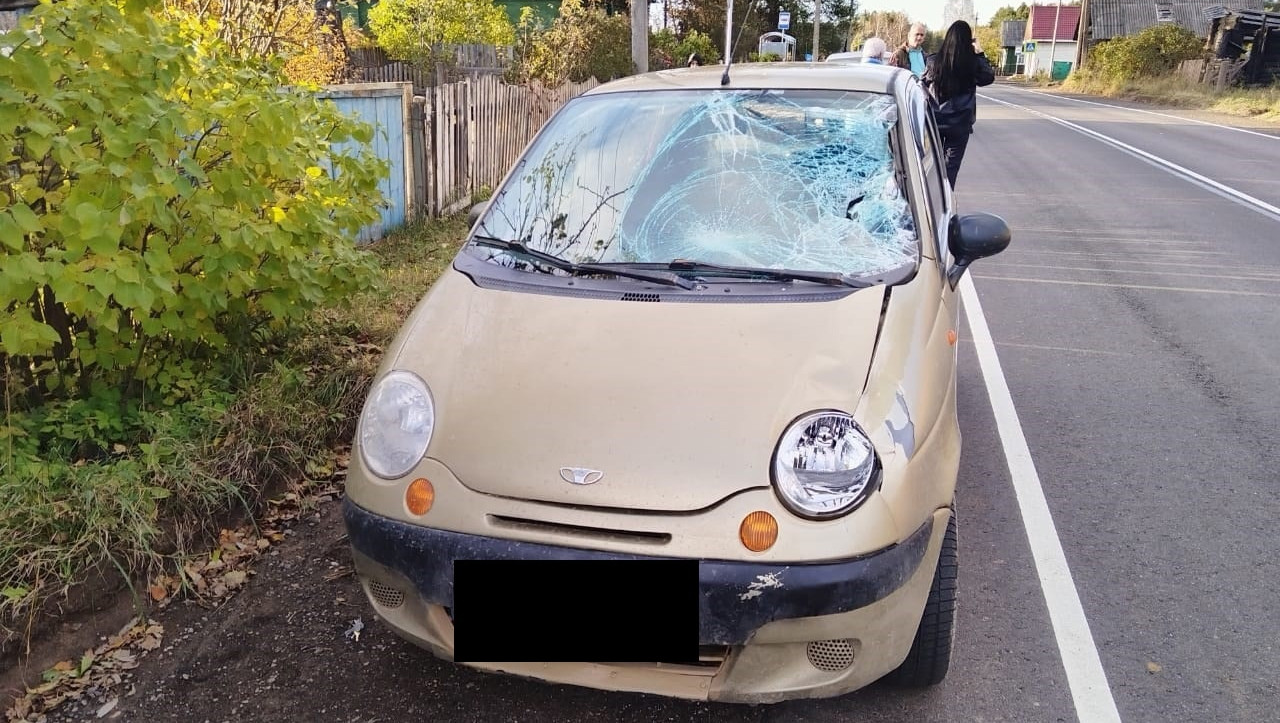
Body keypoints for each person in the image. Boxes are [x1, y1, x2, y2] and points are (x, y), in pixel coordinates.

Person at [921, 20, 995, 188]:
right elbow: (988, 77)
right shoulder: (973, 63)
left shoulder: (933, 61)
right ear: (968, 40)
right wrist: (980, 53)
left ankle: (927, 201)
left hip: (935, 123)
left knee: (930, 165)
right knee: (951, 168)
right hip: (960, 123)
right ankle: (945, 203)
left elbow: (923, 84)